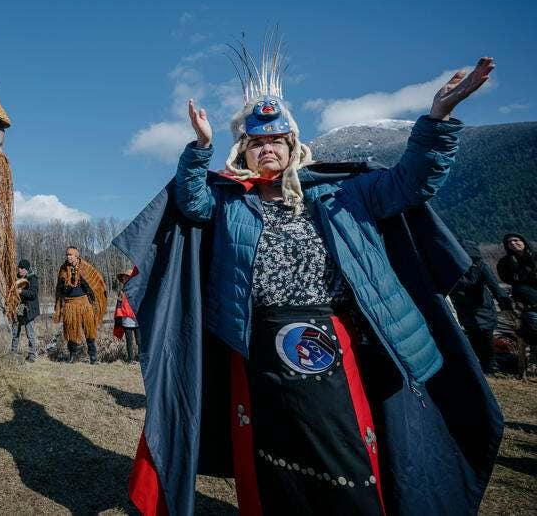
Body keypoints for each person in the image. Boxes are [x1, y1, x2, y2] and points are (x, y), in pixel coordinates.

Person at [112, 35, 502, 515]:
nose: (267, 148)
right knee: (268, 450)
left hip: (332, 335)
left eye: (276, 139)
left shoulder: (346, 191)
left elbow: (413, 181)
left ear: (294, 144)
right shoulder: (232, 201)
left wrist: (438, 119)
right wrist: (201, 147)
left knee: (343, 447)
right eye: (256, 142)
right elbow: (191, 204)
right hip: (252, 342)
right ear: (244, 151)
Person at [448, 239, 514, 373]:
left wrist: (505, 304)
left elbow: (494, 286)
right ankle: (483, 363)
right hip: (464, 307)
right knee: (473, 335)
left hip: (482, 306)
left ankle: (490, 363)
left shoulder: (481, 266)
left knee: (486, 335)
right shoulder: (452, 266)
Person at [54, 247, 107, 364]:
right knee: (71, 331)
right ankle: (72, 356)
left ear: (76, 256)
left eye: (71, 254)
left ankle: (93, 357)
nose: (68, 256)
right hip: (70, 304)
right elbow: (59, 289)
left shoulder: (85, 268)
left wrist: (92, 294)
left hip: (84, 304)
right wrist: (64, 285)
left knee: (90, 330)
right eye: (67, 254)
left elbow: (96, 281)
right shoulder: (63, 269)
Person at [497, 233, 537, 366]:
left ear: (523, 241)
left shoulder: (535, 256)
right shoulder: (506, 262)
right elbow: (506, 279)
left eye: (516, 240)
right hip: (526, 303)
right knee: (532, 325)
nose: (513, 243)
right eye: (509, 242)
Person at [11, 259, 39, 362]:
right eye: (19, 267)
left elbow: (33, 294)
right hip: (18, 308)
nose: (20, 270)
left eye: (22, 268)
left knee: (30, 333)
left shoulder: (33, 278)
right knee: (15, 331)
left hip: (29, 309)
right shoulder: (16, 278)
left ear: (26, 269)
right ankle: (12, 353)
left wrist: (21, 291)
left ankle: (32, 355)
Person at [113, 268, 141, 363]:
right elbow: (119, 306)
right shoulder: (121, 292)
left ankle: (141, 357)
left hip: (136, 318)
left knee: (139, 340)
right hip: (126, 319)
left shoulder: (137, 290)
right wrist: (118, 318)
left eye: (126, 277)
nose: (124, 279)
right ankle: (130, 359)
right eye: (123, 278)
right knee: (129, 341)